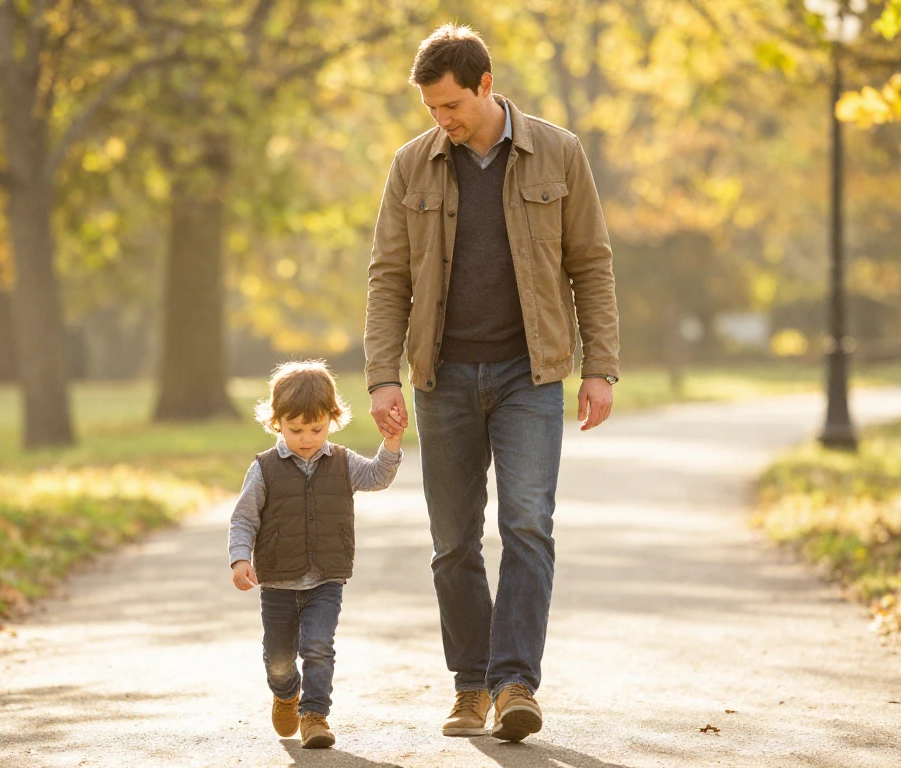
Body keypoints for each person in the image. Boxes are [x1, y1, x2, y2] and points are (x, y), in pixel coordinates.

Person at [363, 24, 620, 742]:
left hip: (526, 374)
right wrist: (383, 376)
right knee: (452, 541)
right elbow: (387, 277)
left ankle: (514, 684)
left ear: (485, 84)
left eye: (450, 105)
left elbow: (590, 264)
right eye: (429, 109)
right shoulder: (411, 164)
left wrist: (599, 366)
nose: (440, 120)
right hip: (439, 378)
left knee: (527, 525)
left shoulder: (558, 152)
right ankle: (469, 684)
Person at [228, 360, 405, 749]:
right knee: (278, 660)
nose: (307, 438)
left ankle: (315, 715)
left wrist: (391, 442)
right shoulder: (264, 469)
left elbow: (377, 476)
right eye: (296, 430)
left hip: (326, 577)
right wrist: (240, 558)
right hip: (277, 582)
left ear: (332, 419)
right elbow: (243, 518)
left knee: (318, 645)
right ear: (277, 423)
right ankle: (286, 692)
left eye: (316, 428)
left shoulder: (342, 462)